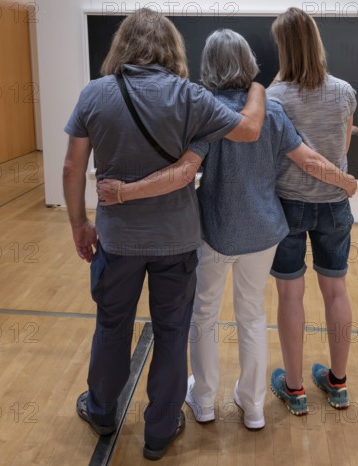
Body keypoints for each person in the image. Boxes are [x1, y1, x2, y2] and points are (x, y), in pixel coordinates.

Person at [97, 28, 356, 429]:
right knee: (251, 317)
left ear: (209, 66)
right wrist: (345, 181)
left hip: (212, 231)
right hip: (263, 232)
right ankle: (252, 407)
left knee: (204, 316)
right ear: (249, 62)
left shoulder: (204, 111)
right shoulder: (270, 110)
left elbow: (184, 172)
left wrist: (125, 192)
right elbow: (307, 160)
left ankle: (203, 401)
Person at [62, 9, 266, 461]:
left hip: (116, 241)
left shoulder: (94, 94)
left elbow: (73, 167)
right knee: (173, 332)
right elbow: (250, 129)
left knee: (111, 326)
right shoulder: (190, 96)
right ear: (172, 48)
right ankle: (160, 429)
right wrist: (256, 86)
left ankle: (100, 410)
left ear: (122, 46)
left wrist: (79, 223)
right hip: (176, 241)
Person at [267, 7, 358, 415]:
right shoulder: (344, 92)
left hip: (287, 206)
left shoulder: (273, 97)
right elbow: (344, 150)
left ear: (283, 48)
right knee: (336, 291)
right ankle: (337, 384)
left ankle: (296, 389)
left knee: (291, 294)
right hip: (334, 206)